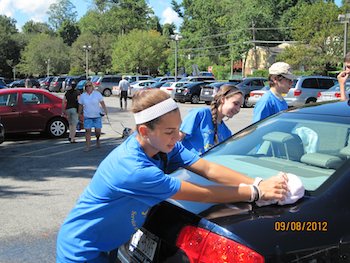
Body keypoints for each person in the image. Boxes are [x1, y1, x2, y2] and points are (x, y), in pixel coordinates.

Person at [56, 89, 288, 263]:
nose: (177, 136)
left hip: (106, 245)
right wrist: (256, 193)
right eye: (170, 131)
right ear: (145, 131)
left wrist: (255, 182)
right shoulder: (133, 168)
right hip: (81, 251)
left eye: (178, 128)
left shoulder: (163, 145)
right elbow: (202, 194)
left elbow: (207, 168)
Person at [179, 84, 243, 154]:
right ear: (223, 99)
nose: (238, 109)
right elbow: (177, 139)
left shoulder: (227, 132)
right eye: (235, 104)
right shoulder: (201, 114)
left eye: (240, 106)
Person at [78, 81, 108, 152]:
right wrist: (79, 114)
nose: (88, 87)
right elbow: (80, 105)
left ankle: (97, 139)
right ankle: (87, 146)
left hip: (97, 115)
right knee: (87, 131)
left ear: (92, 87)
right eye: (87, 86)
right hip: (87, 116)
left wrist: (105, 110)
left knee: (97, 131)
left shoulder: (97, 94)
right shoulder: (83, 96)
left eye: (89, 86)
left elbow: (102, 103)